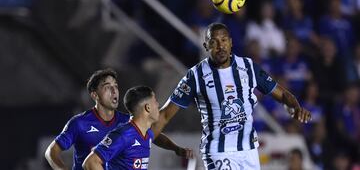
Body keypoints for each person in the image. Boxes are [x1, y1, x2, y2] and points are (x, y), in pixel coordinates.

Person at [151, 23, 312, 169]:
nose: (220, 46)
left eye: (224, 40)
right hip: (218, 152)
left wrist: (295, 107)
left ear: (231, 42)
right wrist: (141, 137)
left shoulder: (248, 67)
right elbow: (165, 115)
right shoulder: (195, 76)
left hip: (249, 150)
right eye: (214, 42)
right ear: (206, 46)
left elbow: (282, 94)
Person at [45, 69, 192, 170]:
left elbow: (152, 134)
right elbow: (51, 152)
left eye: (115, 86)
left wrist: (175, 148)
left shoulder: (126, 122)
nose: (114, 90)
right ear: (95, 95)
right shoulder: (80, 123)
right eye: (107, 87)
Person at [82, 86, 171, 169]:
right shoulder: (124, 135)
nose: (158, 105)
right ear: (147, 107)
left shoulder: (146, 133)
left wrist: (177, 149)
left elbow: (164, 118)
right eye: (155, 101)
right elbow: (90, 162)